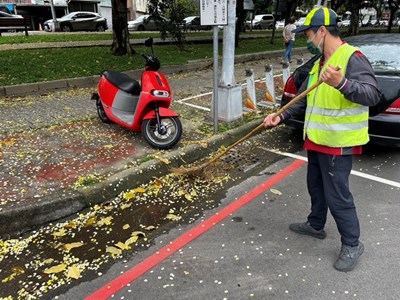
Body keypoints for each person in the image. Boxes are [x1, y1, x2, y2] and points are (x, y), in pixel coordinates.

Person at [264, 7, 381, 272]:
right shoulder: (319, 64)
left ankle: (352, 243)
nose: (307, 39)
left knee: (338, 196)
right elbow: (303, 99)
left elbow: (372, 95)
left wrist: (342, 83)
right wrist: (279, 117)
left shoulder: (352, 58)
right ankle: (316, 224)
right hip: (317, 140)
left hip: (338, 144)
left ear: (323, 31)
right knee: (316, 187)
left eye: (309, 34)